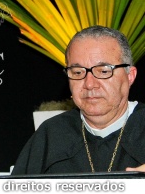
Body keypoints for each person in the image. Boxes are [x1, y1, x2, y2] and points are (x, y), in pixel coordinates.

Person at [12, 26, 145, 175]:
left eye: (103, 71)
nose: (89, 84)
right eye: (77, 72)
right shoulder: (52, 134)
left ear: (130, 76)